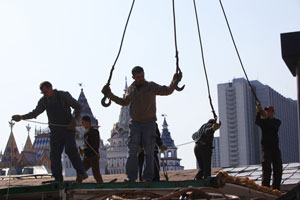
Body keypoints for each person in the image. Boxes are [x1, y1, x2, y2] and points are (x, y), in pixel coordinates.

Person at [102, 66, 182, 182]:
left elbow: (167, 91)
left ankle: (148, 178)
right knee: (132, 151)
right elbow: (124, 102)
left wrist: (174, 82)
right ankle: (131, 177)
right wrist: (110, 95)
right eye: (138, 77)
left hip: (149, 124)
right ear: (133, 77)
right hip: (135, 124)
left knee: (149, 152)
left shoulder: (150, 86)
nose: (140, 79)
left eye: (142, 76)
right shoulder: (131, 89)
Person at [12, 81, 88, 182]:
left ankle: (82, 173)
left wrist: (74, 120)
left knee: (71, 150)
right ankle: (58, 178)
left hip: (67, 128)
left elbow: (78, 107)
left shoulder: (62, 96)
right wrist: (22, 117)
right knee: (54, 155)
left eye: (46, 91)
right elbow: (35, 112)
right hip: (55, 132)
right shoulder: (44, 101)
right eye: (43, 93)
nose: (45, 94)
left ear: (51, 88)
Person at [255, 105, 282, 190]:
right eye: (267, 111)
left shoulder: (276, 122)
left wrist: (265, 118)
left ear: (273, 113)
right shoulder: (264, 122)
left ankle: (276, 188)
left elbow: (273, 127)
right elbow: (257, 121)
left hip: (275, 148)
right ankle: (265, 187)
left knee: (277, 168)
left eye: (270, 111)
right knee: (266, 168)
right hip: (266, 148)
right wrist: (258, 112)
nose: (268, 112)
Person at [79, 116, 103, 184]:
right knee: (81, 170)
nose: (82, 125)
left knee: (96, 173)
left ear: (87, 122)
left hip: (93, 156)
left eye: (83, 123)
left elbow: (95, 145)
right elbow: (86, 145)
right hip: (87, 157)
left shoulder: (94, 132)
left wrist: (84, 149)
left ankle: (101, 185)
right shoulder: (85, 134)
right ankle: (78, 183)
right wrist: (82, 150)